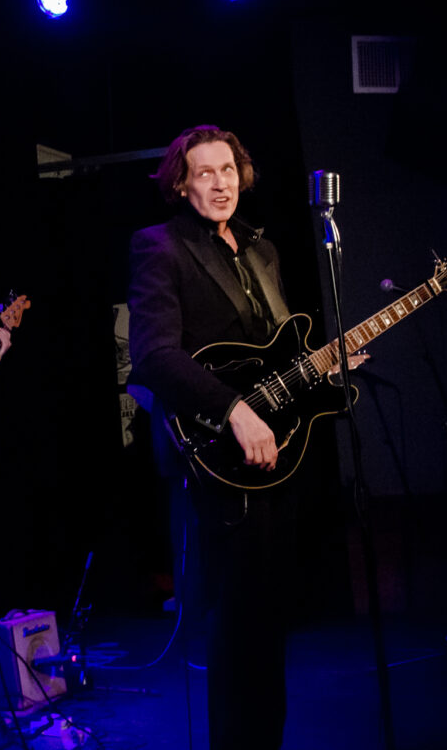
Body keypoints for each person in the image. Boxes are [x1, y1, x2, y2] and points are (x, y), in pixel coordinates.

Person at [127, 125, 297, 750]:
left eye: (228, 169)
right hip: (212, 456)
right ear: (181, 182)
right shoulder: (160, 247)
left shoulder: (262, 250)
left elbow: (275, 354)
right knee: (235, 627)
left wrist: (325, 366)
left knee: (271, 620)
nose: (221, 182)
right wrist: (232, 410)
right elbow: (151, 356)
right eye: (205, 172)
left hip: (275, 456)